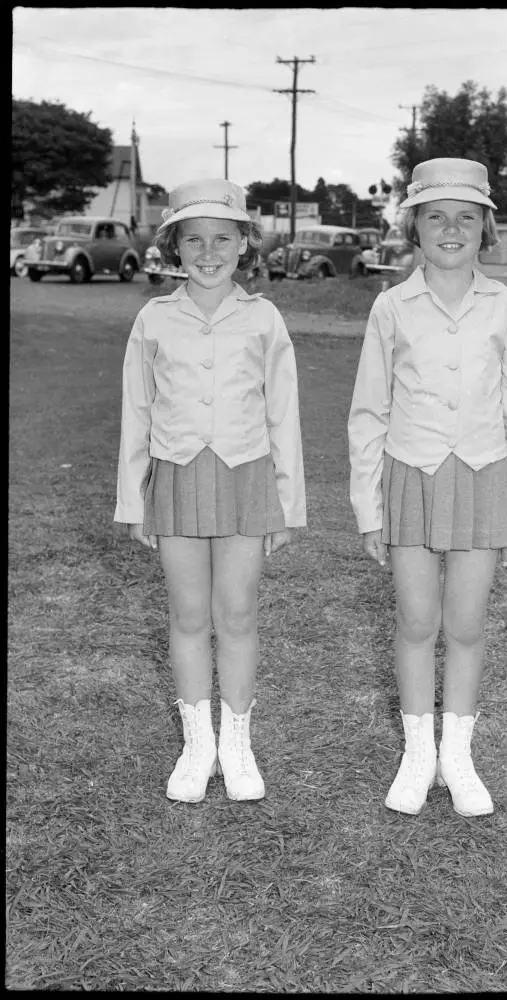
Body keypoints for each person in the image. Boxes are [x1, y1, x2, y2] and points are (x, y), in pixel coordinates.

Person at [348, 158, 507, 817]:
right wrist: (369, 509)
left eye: (466, 218)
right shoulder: (391, 307)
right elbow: (369, 412)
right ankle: (417, 755)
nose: (451, 229)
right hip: (411, 478)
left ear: (485, 229)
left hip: (485, 479)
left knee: (464, 623)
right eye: (436, 216)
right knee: (416, 620)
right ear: (415, 227)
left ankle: (457, 758)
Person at [115, 178, 306, 804]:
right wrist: (132, 500)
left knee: (238, 613)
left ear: (245, 243)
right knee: (189, 616)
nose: (207, 250)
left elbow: (284, 415)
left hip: (247, 478)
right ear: (174, 245)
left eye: (222, 237)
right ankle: (198, 746)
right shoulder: (153, 318)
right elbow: (136, 413)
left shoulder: (263, 317)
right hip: (175, 477)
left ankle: (237, 743)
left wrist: (287, 502)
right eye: (193, 238)